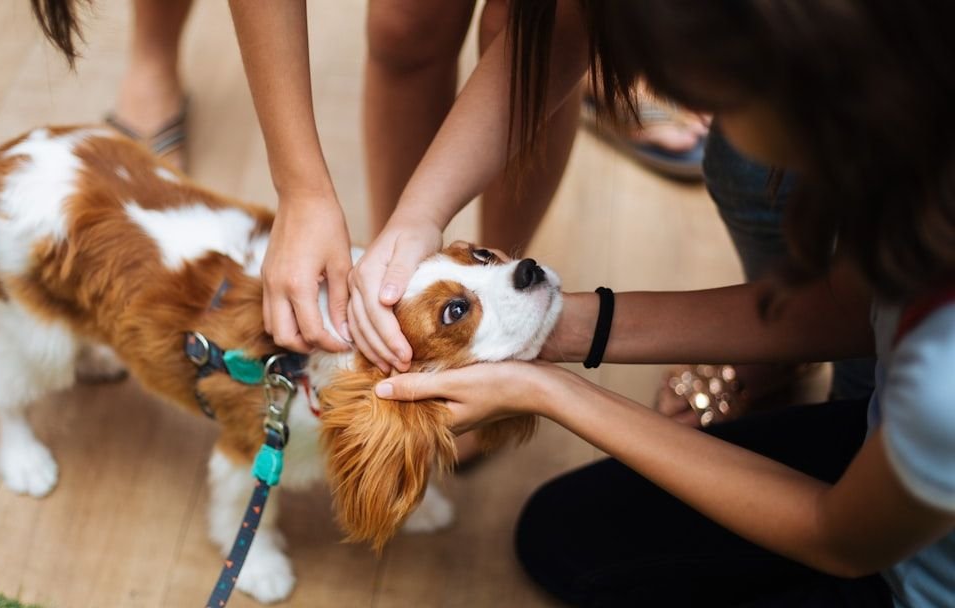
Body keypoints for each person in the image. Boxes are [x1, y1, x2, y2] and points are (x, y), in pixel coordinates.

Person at [371, 1, 955, 605]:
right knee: (562, 533)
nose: (696, 115)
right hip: (905, 449)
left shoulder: (943, 378)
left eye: (709, 98)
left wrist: (551, 392)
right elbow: (848, 310)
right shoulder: (920, 138)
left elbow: (838, 539)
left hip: (895, 566)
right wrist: (562, 327)